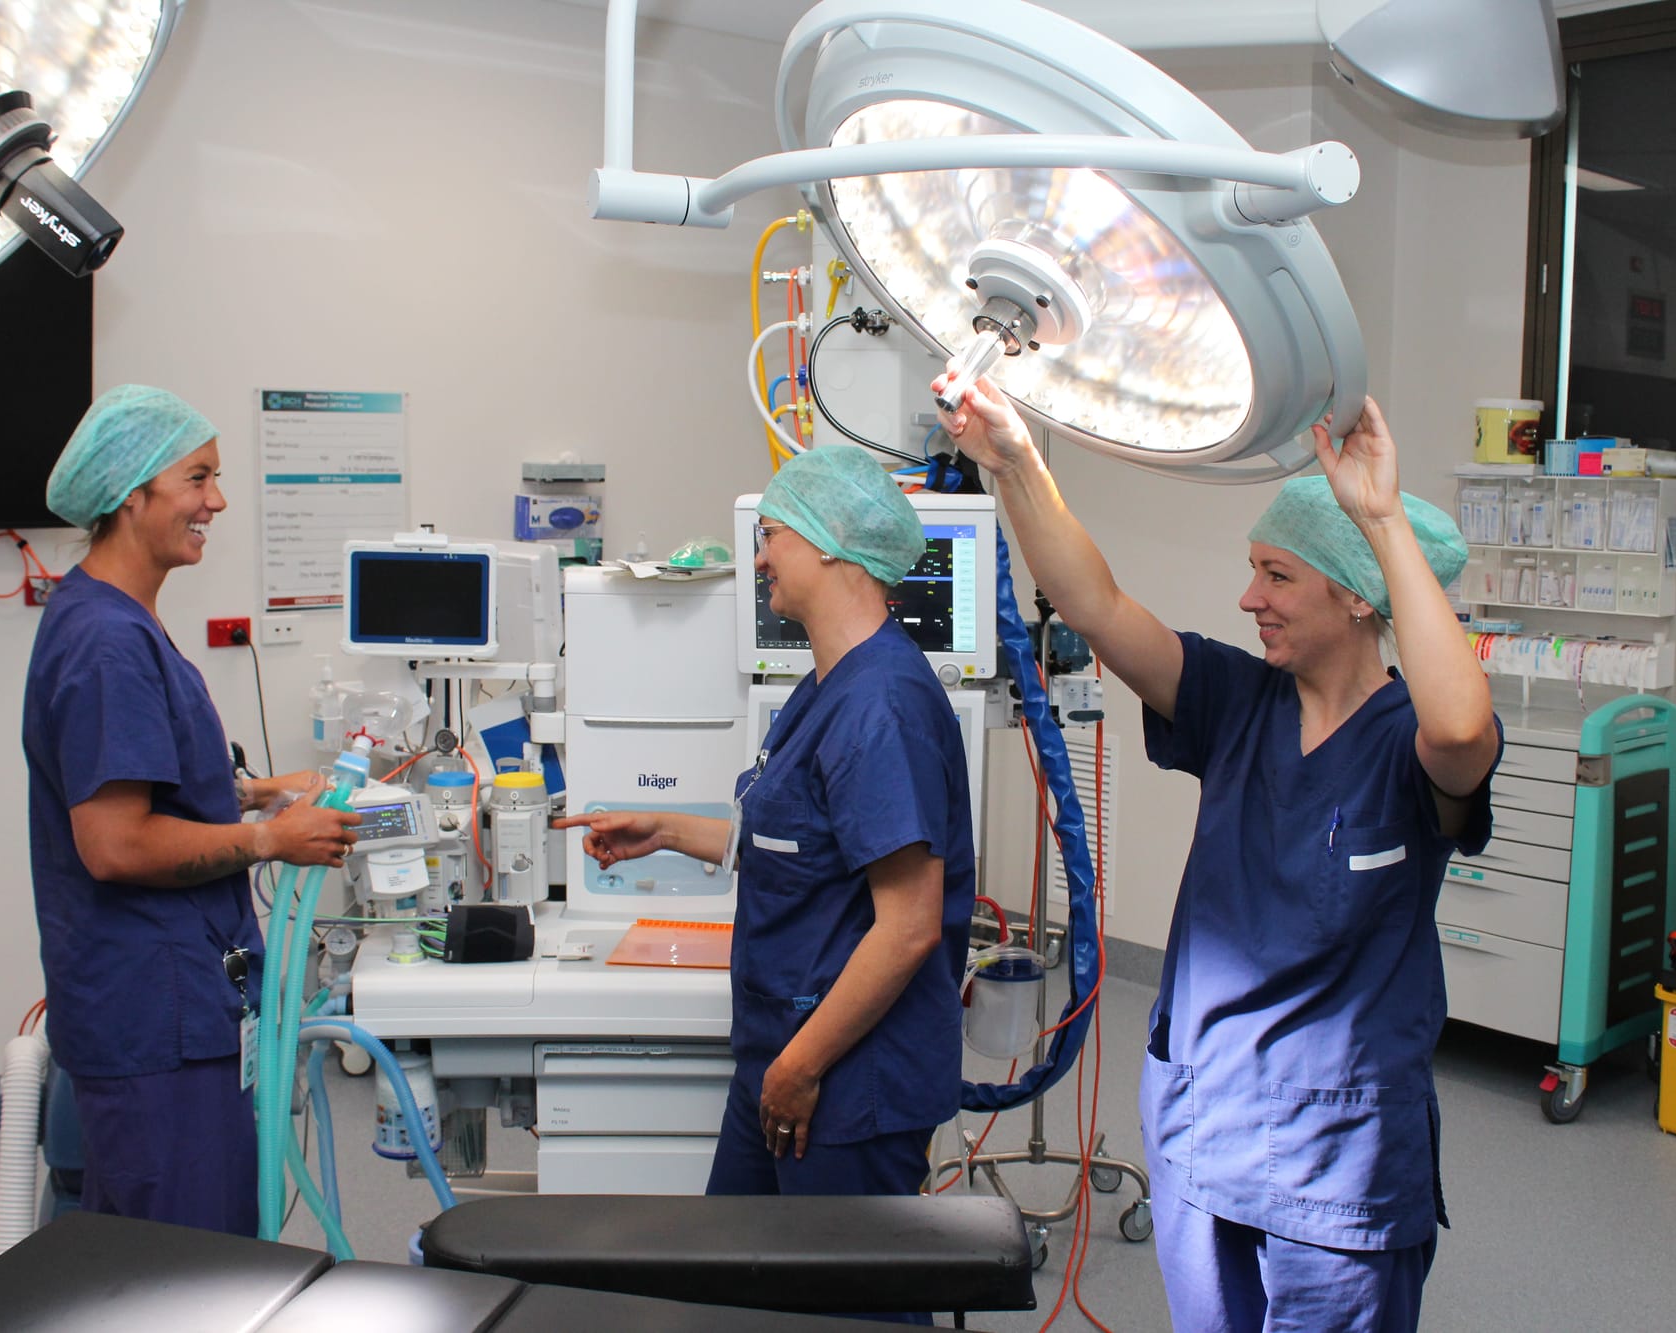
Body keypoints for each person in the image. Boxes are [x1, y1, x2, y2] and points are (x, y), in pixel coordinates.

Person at [934, 372, 1501, 1333]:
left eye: (1278, 575)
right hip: (1206, 1120)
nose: (1249, 598)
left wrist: (1381, 520)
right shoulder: (1237, 702)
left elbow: (1460, 728)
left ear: (1361, 598)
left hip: (1340, 1150)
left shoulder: (1408, 746)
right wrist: (1016, 459)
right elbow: (1096, 602)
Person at [560, 447, 975, 1210]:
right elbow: (796, 846)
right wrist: (666, 829)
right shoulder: (826, 686)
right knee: (736, 1280)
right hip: (781, 1061)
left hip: (844, 1081)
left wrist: (800, 1067)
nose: (758, 559)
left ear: (827, 542)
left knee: (852, 1310)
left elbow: (909, 926)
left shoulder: (881, 706)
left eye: (771, 534)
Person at [23, 384, 361, 1236]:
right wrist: (267, 839)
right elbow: (112, 841)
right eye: (198, 478)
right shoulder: (108, 643)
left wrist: (256, 790)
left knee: (141, 1262)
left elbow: (144, 778)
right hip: (154, 1018)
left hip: (162, 1005)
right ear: (130, 495)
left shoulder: (109, 618)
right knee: (189, 1268)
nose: (216, 500)